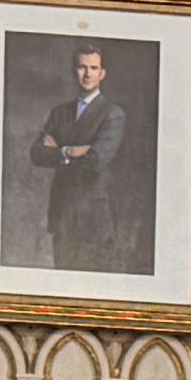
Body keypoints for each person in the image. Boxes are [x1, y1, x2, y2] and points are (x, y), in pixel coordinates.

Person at [29, 43, 138, 268]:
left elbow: (96, 162)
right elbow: (37, 153)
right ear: (74, 71)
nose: (87, 73)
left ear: (102, 73)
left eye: (93, 67)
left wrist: (57, 153)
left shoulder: (112, 114)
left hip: (94, 217)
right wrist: (69, 151)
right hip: (62, 214)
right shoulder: (59, 113)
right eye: (82, 67)